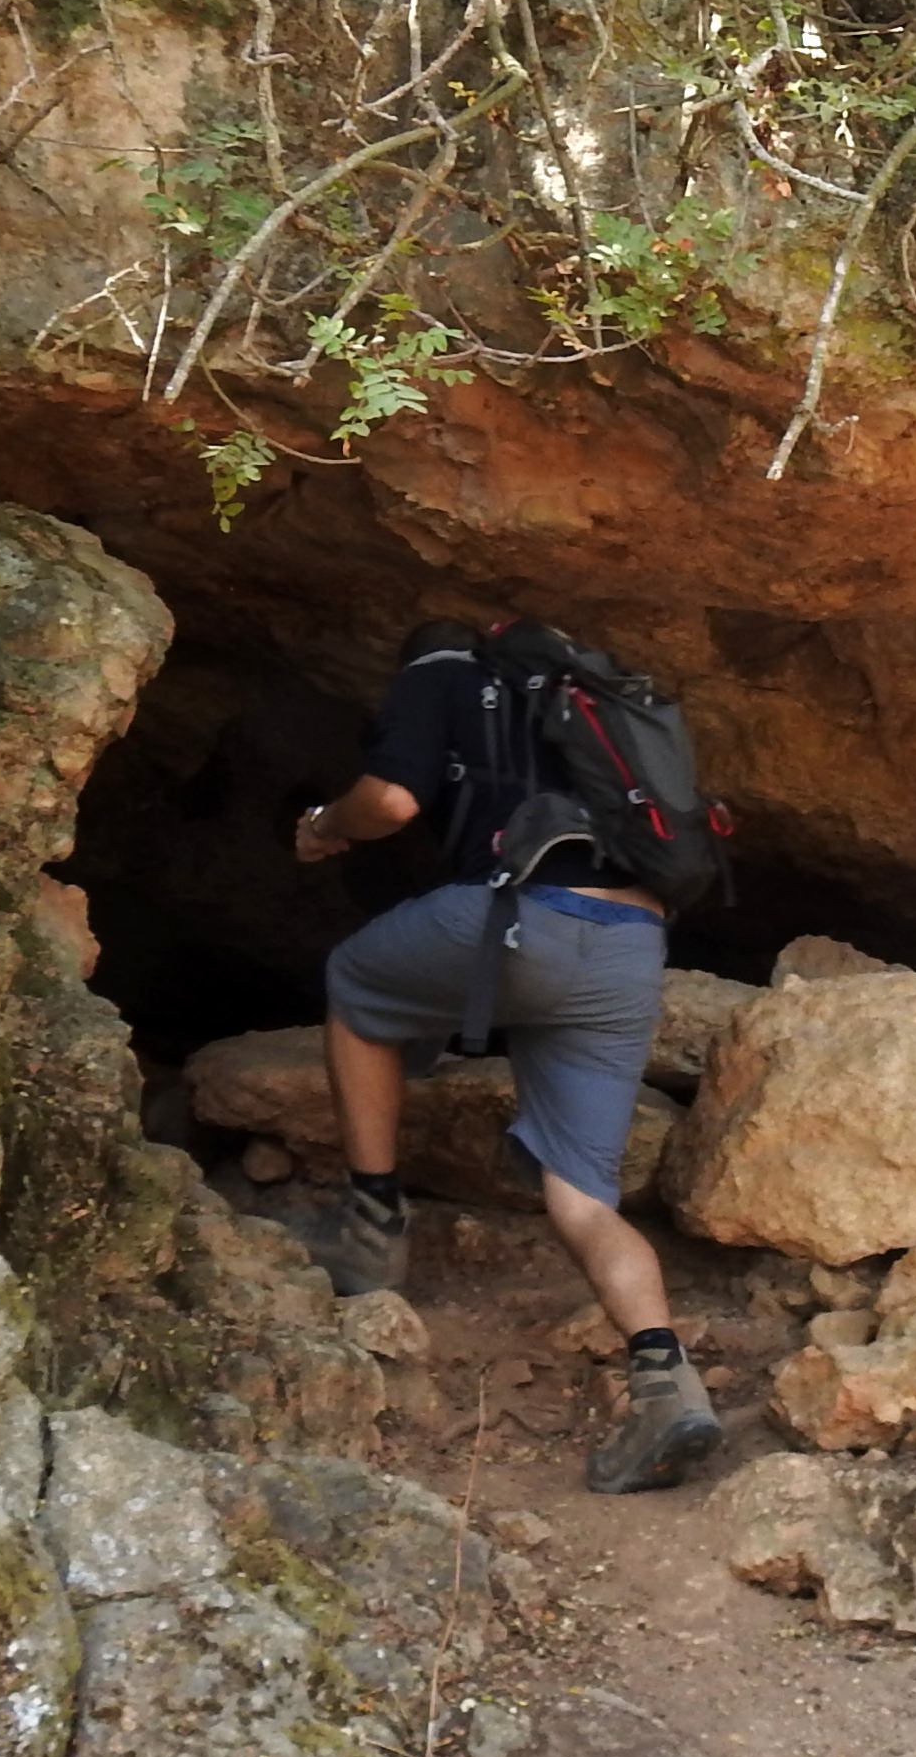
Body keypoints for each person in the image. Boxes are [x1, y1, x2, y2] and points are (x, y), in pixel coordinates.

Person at [285, 622, 721, 1494]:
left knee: (355, 979)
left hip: (524, 917)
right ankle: (666, 1382)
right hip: (632, 941)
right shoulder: (590, 703)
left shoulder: (439, 674)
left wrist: (322, 824)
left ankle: (372, 1227)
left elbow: (394, 801)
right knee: (584, 1197)